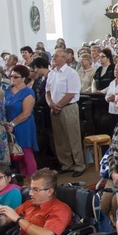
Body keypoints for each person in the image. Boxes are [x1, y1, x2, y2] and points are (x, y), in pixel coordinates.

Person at [46, 49, 85, 177]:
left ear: (64, 58)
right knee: (60, 139)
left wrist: (59, 105)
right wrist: (51, 104)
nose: (54, 58)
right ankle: (66, 164)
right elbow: (47, 92)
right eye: (53, 56)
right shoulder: (52, 73)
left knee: (73, 137)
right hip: (54, 108)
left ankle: (79, 165)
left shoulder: (71, 73)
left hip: (68, 108)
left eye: (56, 56)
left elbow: (71, 93)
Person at [3, 65, 39, 177]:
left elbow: (26, 113)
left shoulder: (28, 92)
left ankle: (34, 180)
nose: (12, 79)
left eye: (16, 77)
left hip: (24, 125)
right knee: (18, 155)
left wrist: (13, 124)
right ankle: (24, 180)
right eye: (11, 76)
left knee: (27, 154)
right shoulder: (8, 91)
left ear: (23, 78)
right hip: (10, 125)